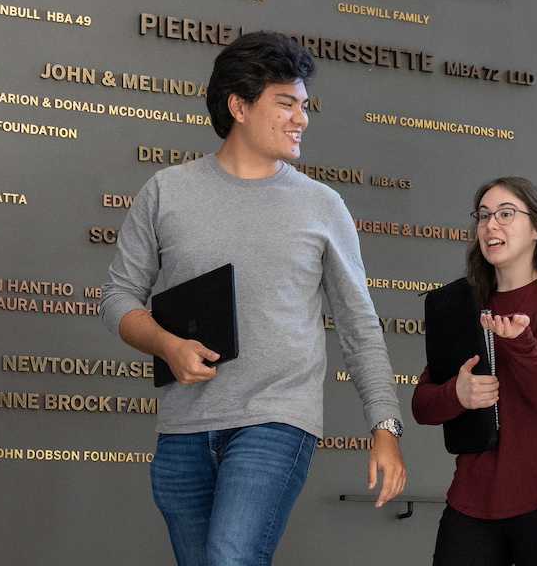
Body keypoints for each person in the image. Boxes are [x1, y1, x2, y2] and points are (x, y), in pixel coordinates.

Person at [101, 31, 407, 566]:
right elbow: (119, 298)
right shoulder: (166, 192)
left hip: (276, 418)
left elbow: (359, 327)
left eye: (304, 105)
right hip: (183, 428)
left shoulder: (321, 206)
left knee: (230, 556)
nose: (301, 119)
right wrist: (167, 344)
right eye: (285, 103)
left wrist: (384, 428)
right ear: (238, 105)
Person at [413, 177, 537, 566]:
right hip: (472, 500)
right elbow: (422, 406)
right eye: (483, 216)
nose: (490, 225)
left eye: (505, 214)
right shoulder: (461, 302)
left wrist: (519, 341)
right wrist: (457, 394)